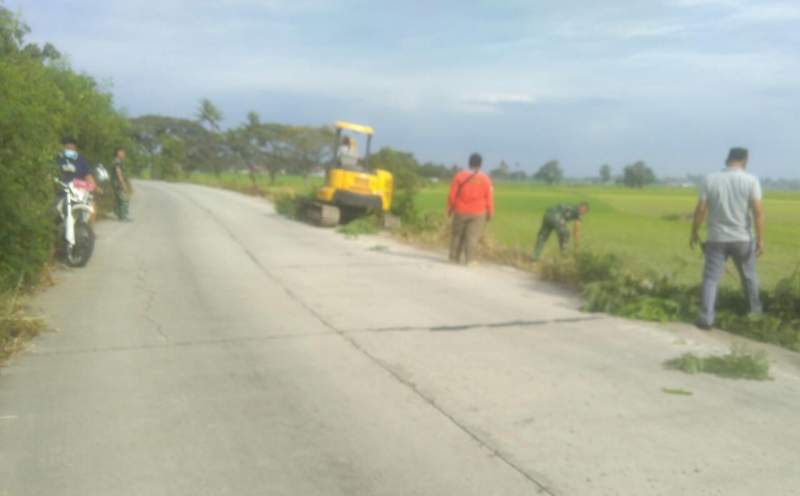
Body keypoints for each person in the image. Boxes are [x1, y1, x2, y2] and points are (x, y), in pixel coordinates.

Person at [690, 147, 764, 330]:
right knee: (749, 277)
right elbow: (758, 212)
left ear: (727, 159)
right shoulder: (751, 180)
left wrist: (694, 231)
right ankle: (755, 314)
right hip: (743, 238)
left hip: (716, 238)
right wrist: (761, 239)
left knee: (711, 279)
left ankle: (706, 318)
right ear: (745, 160)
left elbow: (701, 209)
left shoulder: (710, 179)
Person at [447, 153, 494, 265]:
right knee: (472, 236)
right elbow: (489, 197)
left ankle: (454, 257)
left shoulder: (459, 176)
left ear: (469, 163)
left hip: (460, 210)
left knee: (457, 234)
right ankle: (470, 260)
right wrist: (490, 212)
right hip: (478, 212)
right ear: (480, 165)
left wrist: (450, 208)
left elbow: (452, 195)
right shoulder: (486, 179)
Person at [110, 148, 132, 221]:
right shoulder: (117, 162)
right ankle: (123, 216)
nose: (124, 154)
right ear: (118, 153)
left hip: (116, 184)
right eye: (122, 153)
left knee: (119, 200)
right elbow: (119, 174)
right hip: (118, 184)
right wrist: (123, 184)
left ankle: (119, 215)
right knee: (124, 199)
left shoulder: (116, 161)